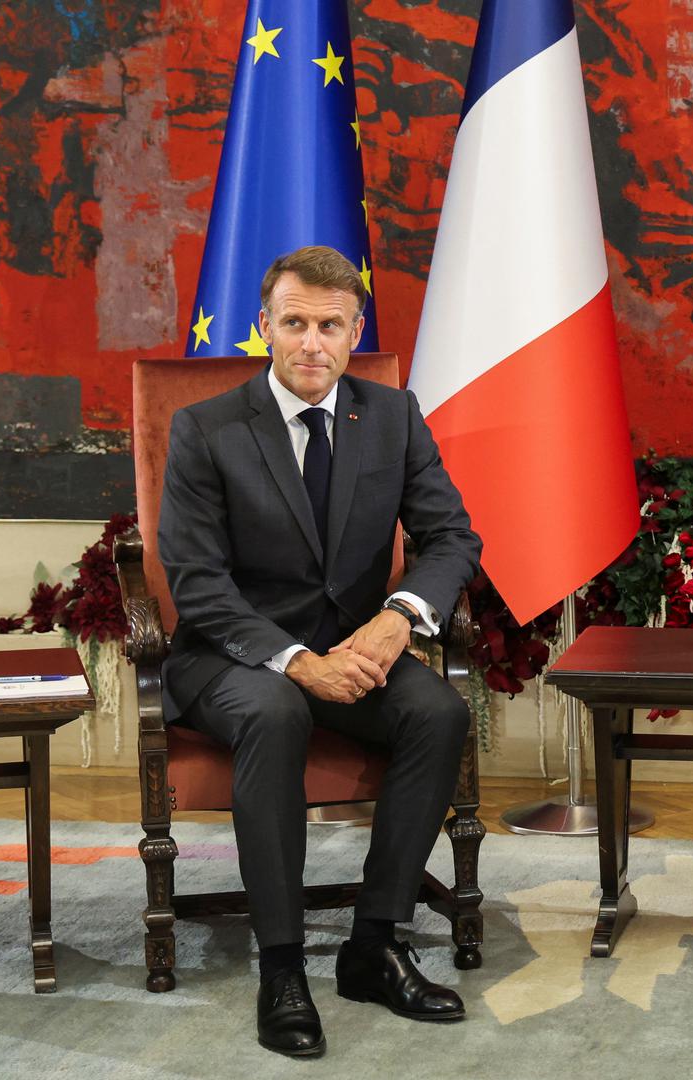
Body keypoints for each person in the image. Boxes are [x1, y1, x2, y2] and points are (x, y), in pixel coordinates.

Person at [158, 245, 482, 1057]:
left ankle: (374, 944)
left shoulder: (393, 416)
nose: (311, 343)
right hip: (231, 656)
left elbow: (451, 537)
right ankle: (282, 967)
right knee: (274, 712)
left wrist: (399, 619)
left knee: (438, 714)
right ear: (265, 326)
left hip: (357, 649)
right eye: (294, 323)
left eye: (329, 326)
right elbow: (197, 584)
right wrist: (301, 663)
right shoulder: (206, 429)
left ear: (353, 332)